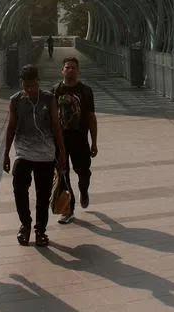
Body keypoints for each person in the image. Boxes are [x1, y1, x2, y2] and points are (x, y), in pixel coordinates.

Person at [3, 64, 67, 247]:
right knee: (19, 189)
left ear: (38, 82)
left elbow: (56, 126)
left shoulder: (49, 98)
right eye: (26, 86)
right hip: (23, 152)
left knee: (43, 194)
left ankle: (40, 230)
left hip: (46, 154)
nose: (29, 89)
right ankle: (25, 223)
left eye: (32, 85)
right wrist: (6, 153)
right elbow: (11, 127)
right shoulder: (16, 100)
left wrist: (61, 153)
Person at [55, 56, 97, 224]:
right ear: (62, 70)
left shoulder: (86, 91)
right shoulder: (55, 91)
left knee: (83, 172)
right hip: (61, 141)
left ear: (78, 71)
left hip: (80, 140)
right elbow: (51, 119)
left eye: (73, 68)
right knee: (63, 175)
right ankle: (68, 209)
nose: (70, 70)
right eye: (67, 67)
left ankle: (83, 189)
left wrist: (94, 141)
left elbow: (91, 117)